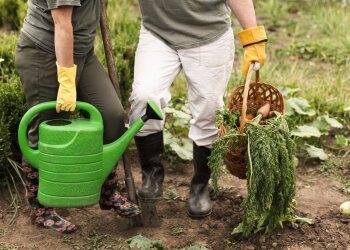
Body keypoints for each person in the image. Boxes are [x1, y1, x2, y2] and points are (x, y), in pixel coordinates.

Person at [129, 0, 267, 218]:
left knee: (209, 111)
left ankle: (200, 186)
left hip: (209, 36)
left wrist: (253, 38)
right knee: (144, 98)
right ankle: (151, 174)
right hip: (158, 33)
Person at [15, 0, 141, 233]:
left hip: (81, 53)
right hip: (45, 53)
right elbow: (62, 22)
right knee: (43, 127)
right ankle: (39, 207)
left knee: (111, 116)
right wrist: (66, 80)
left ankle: (107, 191)